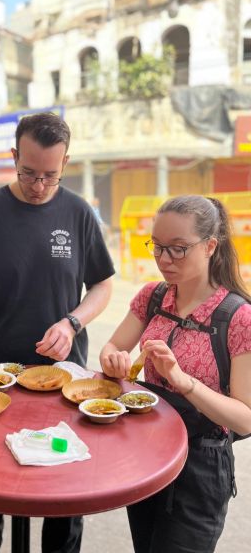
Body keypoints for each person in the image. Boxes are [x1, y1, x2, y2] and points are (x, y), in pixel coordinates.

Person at [0, 112, 115, 553]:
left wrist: (72, 321)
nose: (39, 185)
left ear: (66, 164)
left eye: (50, 176)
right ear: (14, 156)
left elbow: (103, 284)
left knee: (64, 488)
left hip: (65, 380)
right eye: (28, 173)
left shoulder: (78, 213)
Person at [99, 195, 251, 553]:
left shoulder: (238, 318)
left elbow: (244, 419)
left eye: (178, 249)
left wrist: (185, 382)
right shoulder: (152, 297)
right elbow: (111, 348)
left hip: (200, 467)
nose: (164, 259)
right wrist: (114, 360)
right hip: (148, 449)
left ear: (211, 246)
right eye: (158, 246)